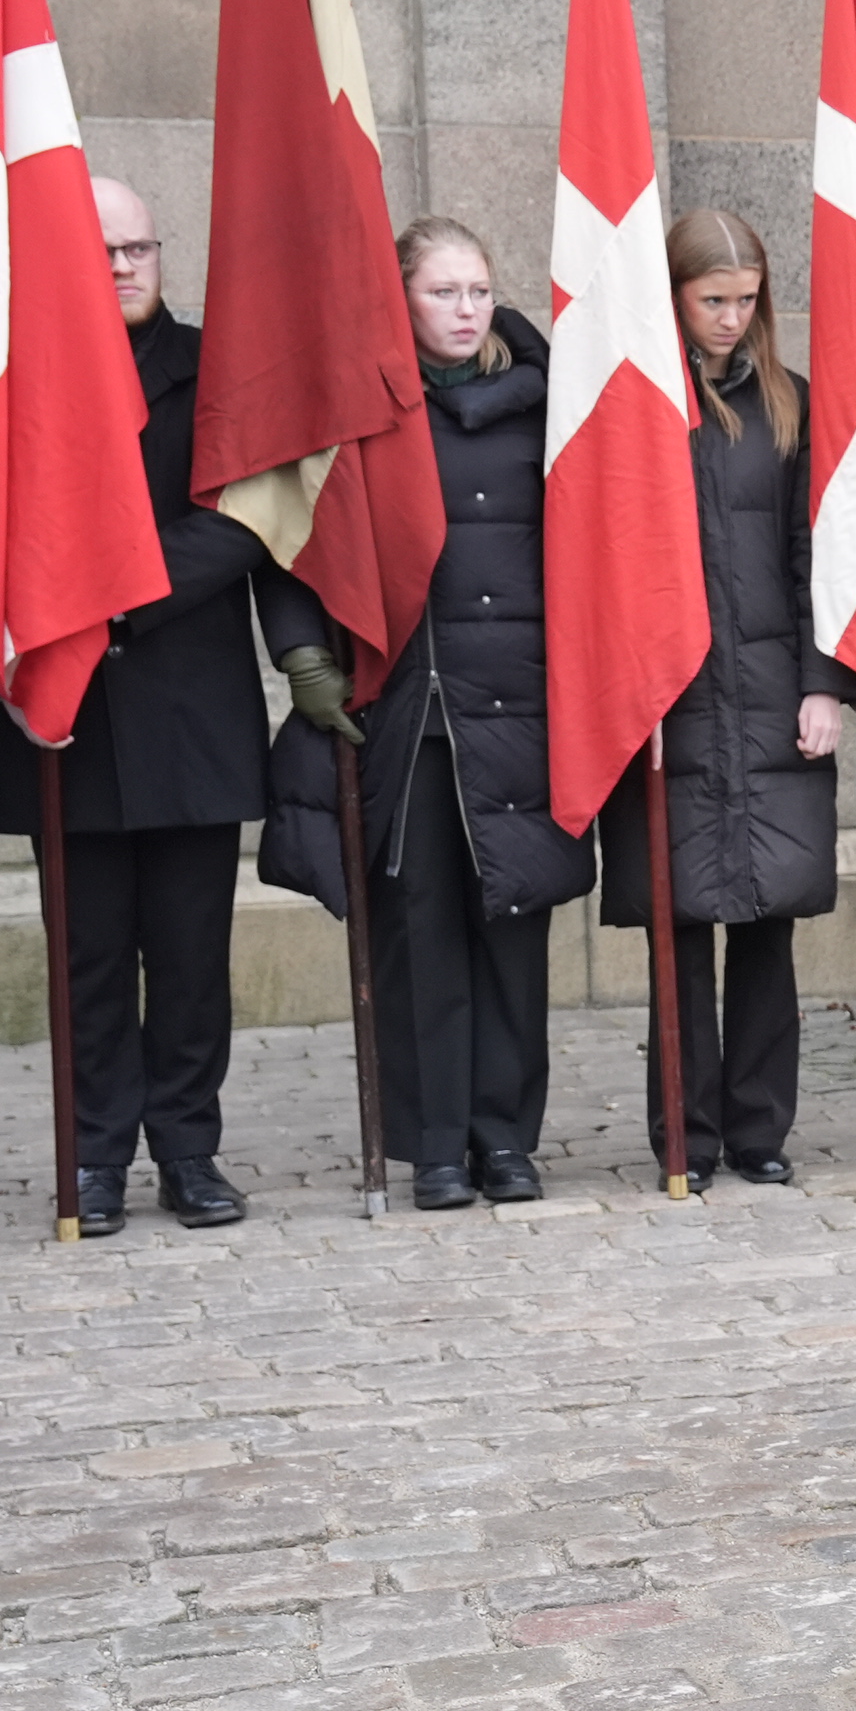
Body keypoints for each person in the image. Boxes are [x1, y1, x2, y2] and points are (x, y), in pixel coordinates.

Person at [263, 223, 594, 1210]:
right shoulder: (363, 416)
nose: (465, 307)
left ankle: (506, 1136)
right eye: (442, 290)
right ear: (399, 301)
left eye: (479, 288)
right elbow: (294, 539)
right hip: (409, 721)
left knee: (512, 929)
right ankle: (435, 1142)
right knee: (420, 937)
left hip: (520, 712)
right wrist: (304, 656)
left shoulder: (546, 410)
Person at [0, 180, 272, 1233]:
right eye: (104, 251)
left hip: (189, 709)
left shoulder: (215, 369)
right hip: (68, 714)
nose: (127, 266)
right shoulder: (16, 379)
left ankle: (189, 1150)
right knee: (89, 958)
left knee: (190, 959)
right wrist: (15, 681)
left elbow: (244, 517)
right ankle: (93, 1153)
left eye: (141, 246)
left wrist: (104, 593)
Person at [599, 210, 853, 1191]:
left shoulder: (788, 402)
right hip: (675, 701)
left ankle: (759, 1130)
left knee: (766, 926)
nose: (730, 319)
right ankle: (686, 1134)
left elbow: (813, 558)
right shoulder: (639, 405)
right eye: (713, 300)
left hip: (773, 698)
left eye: (746, 301)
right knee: (680, 927)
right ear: (673, 296)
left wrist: (825, 683)